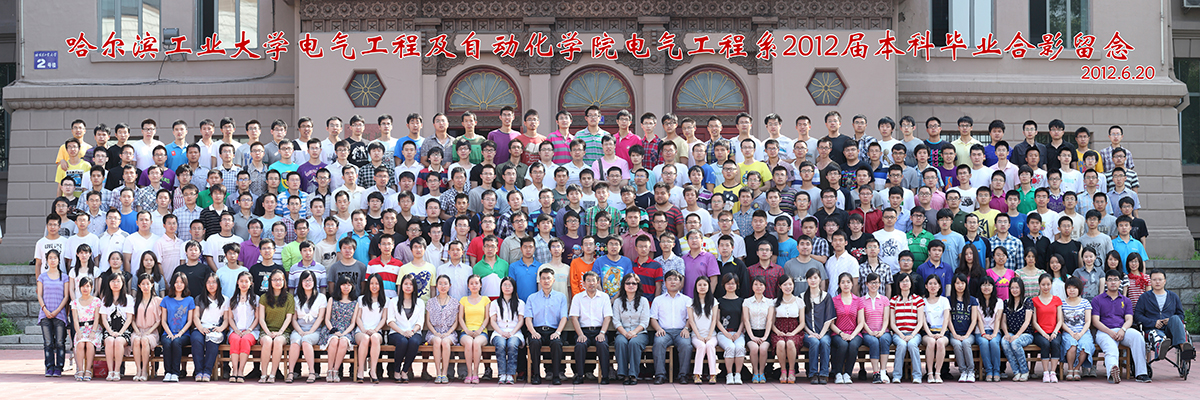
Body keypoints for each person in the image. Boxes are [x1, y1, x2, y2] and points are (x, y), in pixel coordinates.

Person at [1092, 269, 1151, 383]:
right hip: (1104, 332)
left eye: (1115, 280)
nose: (1113, 282)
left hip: (1122, 330)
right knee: (1111, 348)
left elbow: (1129, 319)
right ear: (1106, 283)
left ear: (1120, 282)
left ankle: (1141, 373)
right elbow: (1095, 321)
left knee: (1137, 337)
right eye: (1110, 280)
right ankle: (1112, 373)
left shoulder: (1126, 300)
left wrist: (1123, 330)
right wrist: (1110, 332)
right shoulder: (1097, 300)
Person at [1134, 269, 1196, 371]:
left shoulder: (1173, 296)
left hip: (1170, 330)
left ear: (1165, 281)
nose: (1157, 282)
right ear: (1150, 281)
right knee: (1157, 335)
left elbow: (1181, 315)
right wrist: (1153, 322)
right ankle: (1161, 347)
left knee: (1175, 318)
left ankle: (1183, 348)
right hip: (1153, 329)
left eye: (1160, 279)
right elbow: (1137, 316)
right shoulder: (1144, 297)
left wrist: (1170, 320)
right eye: (1154, 279)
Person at [525, 267, 569, 385]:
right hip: (537, 330)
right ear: (539, 280)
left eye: (548, 278)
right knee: (534, 343)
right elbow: (528, 318)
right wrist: (533, 332)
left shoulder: (561, 297)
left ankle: (556, 375)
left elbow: (564, 317)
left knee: (557, 343)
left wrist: (558, 332)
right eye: (543, 278)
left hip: (554, 330)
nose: (546, 281)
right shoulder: (532, 298)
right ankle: (536, 375)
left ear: (553, 280)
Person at [651, 270, 694, 384]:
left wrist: (686, 328)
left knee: (686, 345)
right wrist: (658, 329)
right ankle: (660, 375)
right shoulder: (658, 300)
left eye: (676, 279)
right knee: (659, 343)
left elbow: (690, 318)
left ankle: (683, 375)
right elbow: (653, 318)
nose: (673, 282)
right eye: (669, 279)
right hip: (664, 331)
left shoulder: (687, 300)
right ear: (665, 283)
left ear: (680, 283)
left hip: (681, 331)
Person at [570, 271, 613, 384]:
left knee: (603, 345)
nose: (591, 283)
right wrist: (580, 334)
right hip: (583, 331)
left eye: (593, 280)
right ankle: (579, 375)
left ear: (598, 282)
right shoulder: (578, 298)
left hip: (599, 330)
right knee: (580, 345)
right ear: (584, 283)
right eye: (588, 280)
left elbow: (607, 317)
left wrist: (602, 333)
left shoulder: (604, 297)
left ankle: (605, 376)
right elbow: (574, 318)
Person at [286, 271, 326, 383]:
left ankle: (312, 372)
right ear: (301, 282)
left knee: (306, 341)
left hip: (315, 330)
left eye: (310, 280)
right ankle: (291, 372)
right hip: (299, 329)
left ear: (314, 282)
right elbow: (294, 319)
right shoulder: (295, 298)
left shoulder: (321, 297)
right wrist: (300, 331)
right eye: (305, 280)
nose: (307, 283)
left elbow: (321, 317)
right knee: (295, 341)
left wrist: (310, 331)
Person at [613, 273, 651, 385]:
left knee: (634, 342)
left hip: (640, 333)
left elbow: (644, 322)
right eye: (628, 283)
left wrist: (634, 332)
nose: (631, 285)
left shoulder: (643, 301)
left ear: (638, 285)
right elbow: (616, 321)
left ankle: (633, 375)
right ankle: (623, 374)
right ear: (623, 285)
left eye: (634, 283)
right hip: (622, 332)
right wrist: (625, 333)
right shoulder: (618, 302)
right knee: (620, 342)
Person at [258, 269, 295, 384]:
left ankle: (273, 374)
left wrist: (280, 332)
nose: (277, 282)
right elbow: (261, 318)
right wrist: (268, 332)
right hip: (266, 331)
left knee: (278, 341)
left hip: (283, 332)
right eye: (274, 279)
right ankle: (263, 374)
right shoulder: (263, 297)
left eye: (280, 279)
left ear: (284, 281)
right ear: (270, 282)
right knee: (268, 341)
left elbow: (289, 318)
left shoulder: (289, 298)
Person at [36, 249, 68, 377]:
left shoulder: (64, 277)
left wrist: (57, 311)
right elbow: (39, 295)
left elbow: (66, 296)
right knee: (48, 343)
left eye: (55, 258)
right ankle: (49, 367)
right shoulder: (42, 277)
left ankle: (59, 367)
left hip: (59, 314)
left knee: (60, 342)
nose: (53, 260)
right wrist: (45, 309)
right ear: (47, 260)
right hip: (45, 314)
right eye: (50, 258)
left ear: (59, 260)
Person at [190, 271, 227, 383]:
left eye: (214, 282)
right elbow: (196, 316)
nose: (211, 285)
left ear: (218, 284)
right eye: (208, 282)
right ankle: (198, 371)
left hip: (216, 328)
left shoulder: (225, 299)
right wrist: (201, 328)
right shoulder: (199, 298)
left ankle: (207, 371)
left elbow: (227, 319)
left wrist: (221, 328)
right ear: (205, 284)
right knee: (196, 340)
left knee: (212, 342)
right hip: (201, 327)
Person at [159, 271, 195, 383]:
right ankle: (167, 372)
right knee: (167, 342)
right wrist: (170, 333)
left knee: (176, 342)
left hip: (184, 334)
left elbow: (189, 321)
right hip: (168, 332)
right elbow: (163, 320)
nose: (179, 284)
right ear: (173, 284)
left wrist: (180, 334)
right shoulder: (166, 300)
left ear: (185, 284)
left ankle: (175, 373)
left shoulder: (190, 300)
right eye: (176, 282)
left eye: (181, 282)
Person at [889, 272, 925, 383]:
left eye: (907, 281)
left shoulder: (918, 300)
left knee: (912, 345)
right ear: (898, 284)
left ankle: (917, 376)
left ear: (911, 283)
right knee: (901, 344)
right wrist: (901, 335)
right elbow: (892, 323)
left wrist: (912, 335)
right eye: (902, 281)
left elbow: (920, 322)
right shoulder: (893, 300)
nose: (905, 283)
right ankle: (897, 375)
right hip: (898, 334)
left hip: (914, 333)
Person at [801, 268, 835, 384]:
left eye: (815, 278)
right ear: (807, 280)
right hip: (807, 333)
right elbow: (802, 320)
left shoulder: (826, 296)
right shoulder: (802, 297)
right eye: (810, 278)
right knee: (814, 342)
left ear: (820, 279)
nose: (813, 280)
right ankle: (813, 374)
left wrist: (821, 334)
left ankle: (824, 373)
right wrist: (811, 333)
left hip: (824, 332)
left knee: (824, 342)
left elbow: (829, 318)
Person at [488, 277, 524, 385]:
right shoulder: (495, 303)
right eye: (505, 285)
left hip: (515, 332)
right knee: (500, 344)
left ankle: (511, 374)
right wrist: (501, 332)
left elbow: (521, 321)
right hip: (499, 332)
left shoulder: (520, 303)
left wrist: (512, 333)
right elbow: (493, 321)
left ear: (514, 287)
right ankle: (502, 374)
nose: (507, 287)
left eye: (510, 285)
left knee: (512, 344)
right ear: (501, 287)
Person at [829, 272, 863, 384]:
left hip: (855, 333)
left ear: (852, 284)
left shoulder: (858, 300)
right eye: (843, 282)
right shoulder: (834, 300)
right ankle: (838, 373)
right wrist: (841, 333)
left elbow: (861, 322)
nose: (846, 284)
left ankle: (848, 373)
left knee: (853, 345)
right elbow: (831, 323)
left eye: (848, 282)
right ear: (839, 284)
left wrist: (852, 335)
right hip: (838, 333)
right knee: (843, 344)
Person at [858, 273, 892, 383]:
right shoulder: (861, 300)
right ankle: (875, 373)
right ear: (866, 284)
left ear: (880, 284)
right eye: (871, 283)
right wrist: (870, 332)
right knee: (874, 342)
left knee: (884, 340)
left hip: (883, 331)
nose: (874, 285)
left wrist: (882, 331)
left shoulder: (884, 299)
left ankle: (883, 371)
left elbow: (886, 319)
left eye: (876, 282)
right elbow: (862, 320)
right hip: (867, 332)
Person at [99, 272, 133, 381]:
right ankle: (110, 371)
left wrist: (120, 332)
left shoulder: (128, 298)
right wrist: (110, 332)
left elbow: (129, 319)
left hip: (124, 330)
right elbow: (104, 319)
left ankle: (117, 371)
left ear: (123, 283)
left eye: (118, 281)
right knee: (109, 341)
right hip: (109, 329)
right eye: (113, 281)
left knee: (118, 341)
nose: (115, 284)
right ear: (109, 283)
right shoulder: (105, 299)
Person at [425, 275, 458, 384]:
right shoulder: (431, 302)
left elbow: (456, 321)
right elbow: (428, 321)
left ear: (450, 286)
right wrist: (435, 333)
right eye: (440, 284)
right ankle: (438, 373)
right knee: (437, 341)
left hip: (449, 332)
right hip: (434, 332)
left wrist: (448, 333)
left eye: (445, 284)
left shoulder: (455, 302)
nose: (443, 286)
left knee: (445, 342)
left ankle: (444, 373)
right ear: (436, 286)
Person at [225, 271, 258, 383]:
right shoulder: (232, 299)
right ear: (237, 283)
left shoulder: (255, 299)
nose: (244, 284)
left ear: (251, 283)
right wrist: (236, 330)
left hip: (251, 331)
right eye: (241, 281)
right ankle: (234, 371)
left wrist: (249, 330)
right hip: (236, 330)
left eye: (246, 281)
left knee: (245, 340)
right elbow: (230, 318)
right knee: (235, 339)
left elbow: (257, 318)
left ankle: (241, 371)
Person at [770, 275, 803, 384]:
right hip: (778, 330)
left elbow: (802, 323)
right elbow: (771, 322)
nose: (788, 287)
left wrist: (793, 333)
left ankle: (791, 371)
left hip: (795, 330)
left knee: (790, 342)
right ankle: (783, 371)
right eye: (785, 284)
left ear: (793, 285)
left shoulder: (799, 301)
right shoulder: (775, 302)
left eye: (790, 284)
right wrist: (777, 331)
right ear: (780, 286)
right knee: (780, 343)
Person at [1060, 276, 1095, 381]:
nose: (1072, 290)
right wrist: (1071, 333)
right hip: (1068, 332)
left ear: (1079, 289)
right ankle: (1070, 369)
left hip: (1083, 332)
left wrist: (1080, 334)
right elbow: (1061, 322)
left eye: (1074, 288)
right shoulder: (1062, 303)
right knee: (1072, 346)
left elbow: (1088, 321)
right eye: (1069, 288)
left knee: (1084, 346)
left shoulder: (1085, 303)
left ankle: (1077, 368)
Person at [1032, 273, 1065, 383]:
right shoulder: (1034, 300)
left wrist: (1055, 332)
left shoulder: (1057, 300)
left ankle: (1053, 372)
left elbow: (1060, 320)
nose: (1046, 287)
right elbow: (1034, 322)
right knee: (1045, 344)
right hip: (1040, 332)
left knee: (1055, 343)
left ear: (1051, 285)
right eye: (1043, 284)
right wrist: (1044, 334)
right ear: (1039, 285)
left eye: (1048, 284)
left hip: (1055, 331)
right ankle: (1045, 372)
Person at [689, 274, 720, 384]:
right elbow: (691, 321)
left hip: (712, 335)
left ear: (708, 286)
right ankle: (697, 374)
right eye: (700, 285)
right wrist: (699, 336)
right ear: (696, 287)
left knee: (710, 345)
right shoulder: (691, 302)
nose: (702, 287)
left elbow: (714, 320)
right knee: (701, 346)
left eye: (705, 285)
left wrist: (709, 335)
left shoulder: (713, 301)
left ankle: (713, 374)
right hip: (696, 335)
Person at [743, 276, 775, 384]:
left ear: (765, 287)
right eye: (756, 284)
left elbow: (769, 320)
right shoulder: (747, 302)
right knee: (754, 348)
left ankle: (762, 372)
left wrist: (765, 336)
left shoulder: (769, 302)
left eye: (761, 284)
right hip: (751, 332)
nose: (758, 287)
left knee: (763, 349)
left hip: (765, 332)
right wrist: (752, 336)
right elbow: (746, 320)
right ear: (752, 286)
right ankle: (755, 372)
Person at [946, 273, 978, 382]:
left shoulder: (972, 300)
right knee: (956, 344)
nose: (960, 285)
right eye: (957, 283)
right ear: (953, 285)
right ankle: (963, 371)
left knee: (965, 343)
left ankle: (971, 371)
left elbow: (974, 320)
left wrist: (967, 335)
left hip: (968, 334)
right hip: (954, 333)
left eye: (962, 283)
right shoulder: (948, 300)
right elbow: (948, 319)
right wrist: (954, 334)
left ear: (966, 284)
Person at [71, 276, 102, 381]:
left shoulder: (96, 301)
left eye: (88, 286)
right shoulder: (75, 302)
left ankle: (88, 370)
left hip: (94, 329)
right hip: (81, 329)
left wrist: (93, 332)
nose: (85, 289)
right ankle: (80, 370)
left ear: (92, 287)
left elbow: (97, 318)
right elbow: (75, 319)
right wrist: (78, 332)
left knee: (89, 343)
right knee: (80, 343)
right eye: (83, 286)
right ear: (79, 288)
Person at [974, 275, 1004, 382]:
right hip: (980, 331)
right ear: (980, 287)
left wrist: (994, 334)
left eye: (989, 285)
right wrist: (983, 334)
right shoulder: (975, 301)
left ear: (993, 287)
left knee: (994, 342)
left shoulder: (999, 302)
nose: (986, 287)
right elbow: (979, 320)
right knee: (984, 342)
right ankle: (989, 371)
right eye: (983, 285)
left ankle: (996, 371)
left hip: (994, 330)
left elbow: (998, 319)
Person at [921, 274, 950, 384]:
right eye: (930, 284)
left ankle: (938, 373)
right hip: (928, 332)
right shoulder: (922, 301)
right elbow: (923, 320)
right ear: (926, 286)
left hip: (943, 332)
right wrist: (929, 334)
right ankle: (929, 373)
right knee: (931, 342)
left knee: (940, 343)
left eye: (935, 284)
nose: (933, 286)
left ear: (939, 286)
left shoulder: (944, 300)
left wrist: (941, 333)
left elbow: (946, 318)